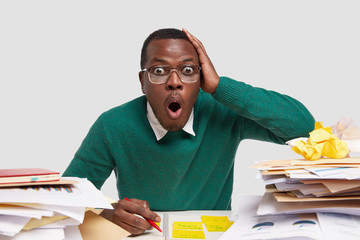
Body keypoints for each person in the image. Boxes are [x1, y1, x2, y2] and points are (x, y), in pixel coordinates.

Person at [63, 28, 315, 235]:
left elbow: (302, 128)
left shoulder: (222, 111)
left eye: (187, 71)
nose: (174, 81)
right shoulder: (112, 125)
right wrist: (109, 212)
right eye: (159, 71)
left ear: (201, 79)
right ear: (142, 82)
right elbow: (67, 200)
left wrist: (219, 86)